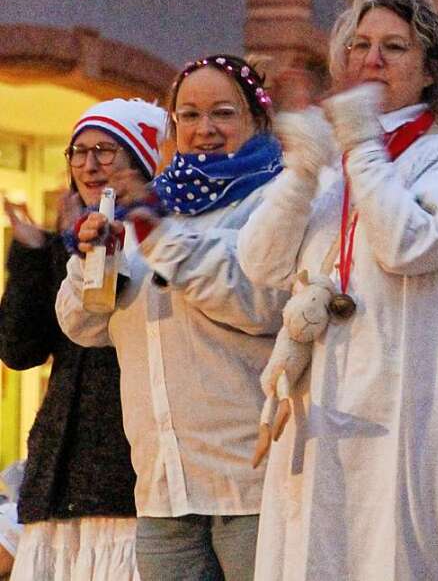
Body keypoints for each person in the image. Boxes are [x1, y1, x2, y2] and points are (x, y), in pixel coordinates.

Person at [237, 0, 438, 580]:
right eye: (359, 45)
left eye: (393, 47)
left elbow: (409, 245)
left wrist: (360, 145)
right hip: (321, 405)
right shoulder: (329, 166)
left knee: (402, 555)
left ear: (431, 70)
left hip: (410, 407)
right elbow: (258, 261)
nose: (370, 59)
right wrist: (303, 170)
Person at [57, 56, 289, 581]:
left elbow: (261, 305)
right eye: (189, 115)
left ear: (257, 119)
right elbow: (84, 327)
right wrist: (95, 259)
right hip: (162, 485)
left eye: (223, 113)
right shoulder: (150, 205)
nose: (204, 129)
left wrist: (159, 237)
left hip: (251, 483)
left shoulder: (276, 199)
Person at [0, 98, 166, 581]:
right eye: (79, 152)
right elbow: (18, 348)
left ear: (141, 159)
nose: (89, 164)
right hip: (60, 479)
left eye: (106, 151)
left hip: (128, 477)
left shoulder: (160, 240)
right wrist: (33, 253)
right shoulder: (63, 246)